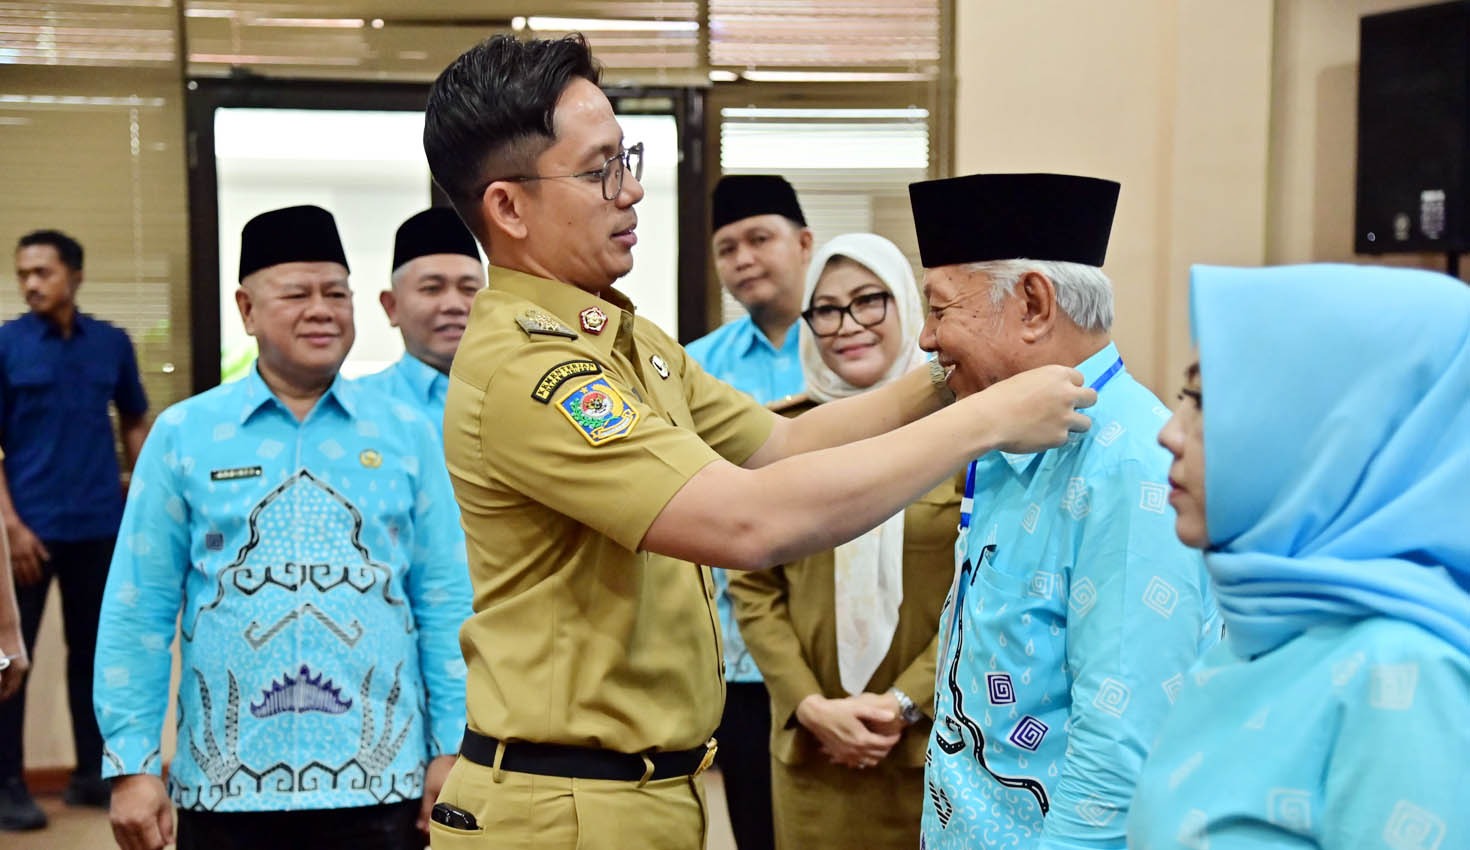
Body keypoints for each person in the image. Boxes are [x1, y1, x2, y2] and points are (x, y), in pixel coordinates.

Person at [421, 34, 1096, 850]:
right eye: (599, 170)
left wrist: (953, 371)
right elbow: (747, 522)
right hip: (563, 808)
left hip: (635, 794)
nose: (632, 189)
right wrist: (987, 420)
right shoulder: (530, 371)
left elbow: (784, 444)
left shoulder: (624, 339)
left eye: (627, 158)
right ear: (508, 208)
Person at [95, 205, 472, 850]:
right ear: (246, 310)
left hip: (382, 781)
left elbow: (443, 600)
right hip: (226, 785)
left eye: (336, 294)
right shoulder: (185, 434)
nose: (321, 310)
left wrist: (451, 747)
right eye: (297, 294)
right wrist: (132, 764)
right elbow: (139, 606)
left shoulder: (405, 434)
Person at [909, 173, 1221, 850]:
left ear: (1032, 303)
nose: (926, 339)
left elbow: (1119, 751)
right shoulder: (1006, 435)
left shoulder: (1133, 466)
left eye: (939, 310)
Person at [1128, 264, 1470, 848]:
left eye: (1203, 402)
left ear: (1331, 437)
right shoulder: (1263, 628)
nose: (1170, 433)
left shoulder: (1405, 675)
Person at [729, 233, 954, 850]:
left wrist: (904, 702)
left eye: (869, 301)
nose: (847, 325)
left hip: (929, 741)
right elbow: (753, 586)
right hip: (813, 747)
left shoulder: (961, 432)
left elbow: (983, 588)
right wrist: (807, 704)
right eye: (826, 309)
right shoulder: (783, 435)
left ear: (906, 304)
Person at [0, 228, 150, 830]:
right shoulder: (6, 345)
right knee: (12, 661)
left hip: (99, 526)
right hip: (28, 533)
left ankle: (92, 774)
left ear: (75, 275)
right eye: (23, 274)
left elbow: (135, 420)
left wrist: (146, 500)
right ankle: (8, 785)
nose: (31, 283)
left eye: (43, 271)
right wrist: (10, 526)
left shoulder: (111, 344)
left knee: (95, 656)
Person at [686, 173, 814, 850]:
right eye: (727, 248)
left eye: (760, 239)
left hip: (839, 648)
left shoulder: (852, 348)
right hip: (737, 659)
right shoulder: (695, 369)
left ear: (804, 243)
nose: (744, 259)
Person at [358, 206, 485, 433]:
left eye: (468, 289)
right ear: (392, 306)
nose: (454, 305)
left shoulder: (522, 395)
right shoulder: (357, 406)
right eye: (432, 288)